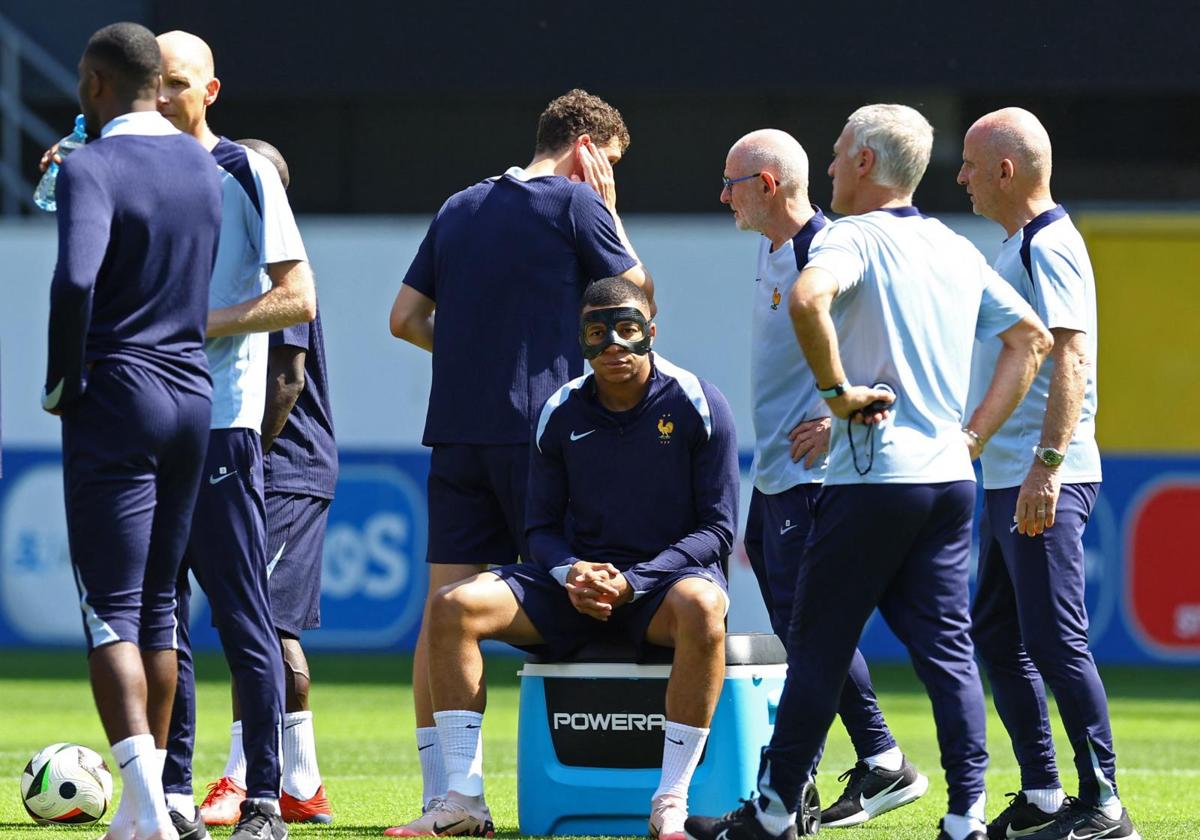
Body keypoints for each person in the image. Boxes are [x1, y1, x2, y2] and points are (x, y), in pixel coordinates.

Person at [685, 104, 1053, 840]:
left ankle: (775, 811)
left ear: (861, 163)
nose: (826, 170)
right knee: (948, 654)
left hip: (871, 476)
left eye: (834, 155)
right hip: (948, 480)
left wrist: (836, 395)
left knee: (816, 647)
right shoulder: (953, 245)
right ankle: (964, 816)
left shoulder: (849, 237)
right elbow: (1031, 338)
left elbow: (807, 297)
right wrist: (971, 437)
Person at [386, 276, 738, 838]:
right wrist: (572, 572)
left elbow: (718, 530)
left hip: (662, 588)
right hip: (577, 587)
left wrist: (634, 581)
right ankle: (465, 801)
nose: (613, 347)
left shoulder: (698, 401)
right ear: (581, 340)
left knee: (703, 605)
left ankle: (669, 800)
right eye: (598, 334)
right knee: (452, 605)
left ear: (652, 331)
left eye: (627, 331)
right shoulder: (560, 409)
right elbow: (539, 528)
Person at [388, 88, 654, 819]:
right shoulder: (578, 205)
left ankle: (443, 797)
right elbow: (637, 305)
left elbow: (405, 318)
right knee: (586, 601)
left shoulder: (460, 207)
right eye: (609, 165)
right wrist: (613, 210)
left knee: (442, 612)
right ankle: (604, 783)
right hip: (543, 437)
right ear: (587, 151)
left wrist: (477, 353)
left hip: (457, 434)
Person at [43, 21, 221, 840]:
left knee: (109, 609)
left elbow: (78, 277)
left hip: (117, 392)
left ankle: (146, 808)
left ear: (96, 83)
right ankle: (153, 803)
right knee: (159, 606)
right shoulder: (201, 162)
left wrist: (61, 380)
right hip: (193, 396)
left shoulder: (91, 165)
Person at [721, 127, 927, 829]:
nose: (723, 197)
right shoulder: (772, 249)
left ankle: (863, 762)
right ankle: (872, 759)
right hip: (773, 471)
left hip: (815, 477)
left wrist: (840, 410)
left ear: (769, 184)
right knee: (797, 628)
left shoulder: (826, 248)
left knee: (813, 630)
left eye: (732, 183)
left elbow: (885, 339)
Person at [152, 30, 317, 840]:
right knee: (160, 619)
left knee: (245, 619)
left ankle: (263, 801)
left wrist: (198, 324)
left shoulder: (242, 171)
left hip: (219, 425)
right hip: (146, 427)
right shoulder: (134, 172)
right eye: (150, 83)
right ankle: (174, 794)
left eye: (177, 84)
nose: (161, 97)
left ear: (210, 91)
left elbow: (298, 299)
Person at [958, 108, 1140, 840]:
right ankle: (1041, 794)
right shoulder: (1019, 245)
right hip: (1011, 476)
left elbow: (1071, 356)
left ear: (1006, 171)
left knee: (1055, 641)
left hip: (1041, 476)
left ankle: (1105, 804)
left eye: (971, 163)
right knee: (998, 634)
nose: (962, 176)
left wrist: (1049, 465)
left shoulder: (1047, 246)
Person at [196, 137, 334, 826]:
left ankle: (245, 775)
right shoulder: (239, 265)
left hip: (279, 463)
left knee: (261, 621)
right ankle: (300, 784)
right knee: (260, 621)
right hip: (266, 462)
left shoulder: (275, 278)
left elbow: (285, 380)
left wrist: (245, 455)